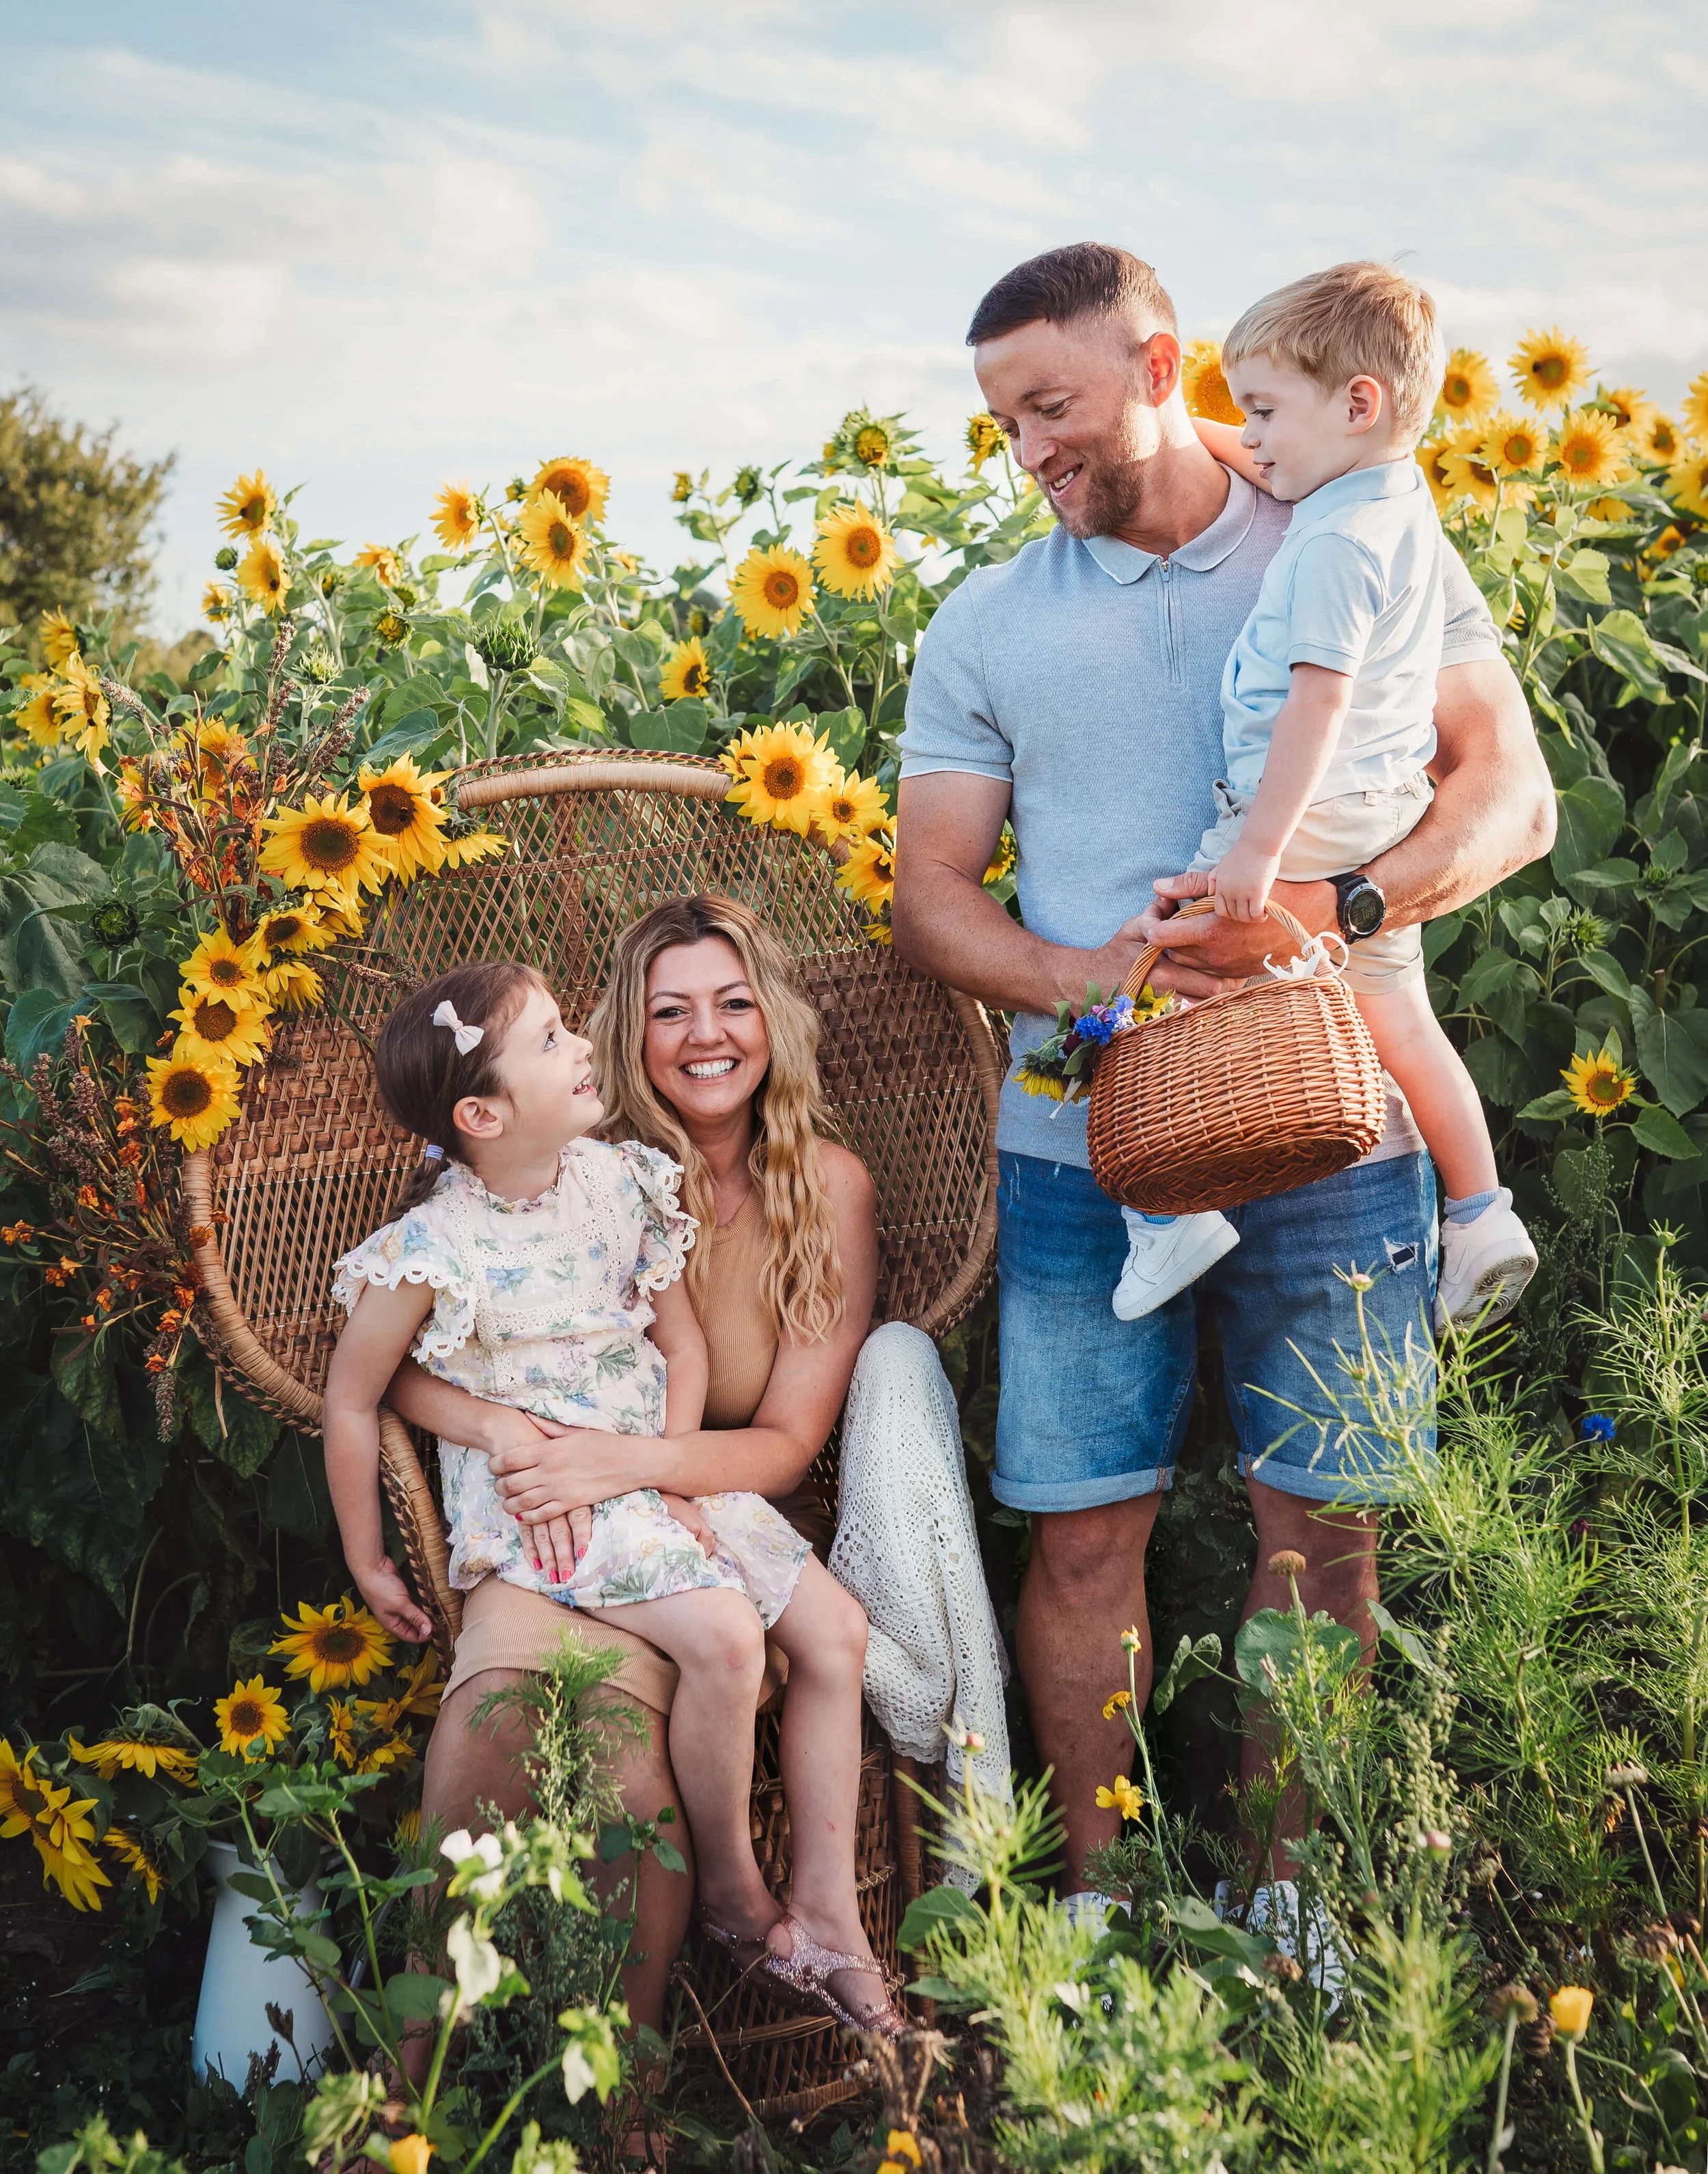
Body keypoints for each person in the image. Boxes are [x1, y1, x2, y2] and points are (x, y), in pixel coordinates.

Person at [892, 241, 1554, 1933]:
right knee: (1080, 1539)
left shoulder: (1358, 525)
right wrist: (1082, 975)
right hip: (1079, 1147)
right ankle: (1102, 1916)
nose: (1028, 452)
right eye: (1002, 424)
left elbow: (1511, 799)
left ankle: (1292, 1914)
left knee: (1322, 1540)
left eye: (1050, 406)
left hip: (1339, 1124)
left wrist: (1329, 909)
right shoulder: (984, 622)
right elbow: (931, 894)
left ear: (1160, 364)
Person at [383, 898, 1009, 2025]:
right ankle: (476, 2052)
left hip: (712, 1502)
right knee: (538, 1730)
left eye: (732, 1002)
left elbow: (785, 1443)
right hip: (571, 1511)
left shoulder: (828, 1190)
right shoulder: (581, 1168)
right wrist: (514, 1440)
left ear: (773, 1018)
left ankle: (826, 1916)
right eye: (670, 1011)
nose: (704, 1034)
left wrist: (638, 1468)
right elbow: (413, 1333)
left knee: (825, 1635)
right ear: (630, 1030)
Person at [1112, 261, 1536, 1335]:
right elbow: (1271, 446)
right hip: (1381, 808)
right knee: (1400, 1015)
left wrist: (1257, 850)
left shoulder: (1334, 546)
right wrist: (1203, 428)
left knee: (1165, 958)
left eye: (1263, 413)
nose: (1248, 440)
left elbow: (1317, 702)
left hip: (1304, 805)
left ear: (1359, 404)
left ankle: (1172, 1208)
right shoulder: (1394, 499)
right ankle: (1482, 1211)